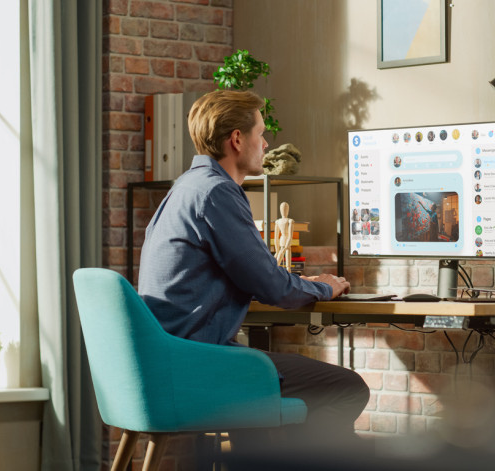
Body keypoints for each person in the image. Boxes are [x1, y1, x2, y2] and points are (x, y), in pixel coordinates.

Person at [138, 90, 369, 453]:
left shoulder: (185, 187)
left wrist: (293, 282)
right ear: (237, 140)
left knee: (260, 397)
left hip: (169, 362)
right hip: (197, 365)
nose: (265, 143)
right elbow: (273, 288)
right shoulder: (217, 193)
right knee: (347, 387)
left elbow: (252, 275)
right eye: (261, 133)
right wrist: (324, 287)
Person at [274, 202, 294, 271]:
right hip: (284, 240)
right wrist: (277, 250)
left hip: (285, 241)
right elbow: (276, 237)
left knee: (287, 265)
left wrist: (284, 247)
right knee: (280, 262)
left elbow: (290, 236)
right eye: (283, 208)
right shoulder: (279, 221)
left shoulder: (289, 221)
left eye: (285, 208)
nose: (284, 210)